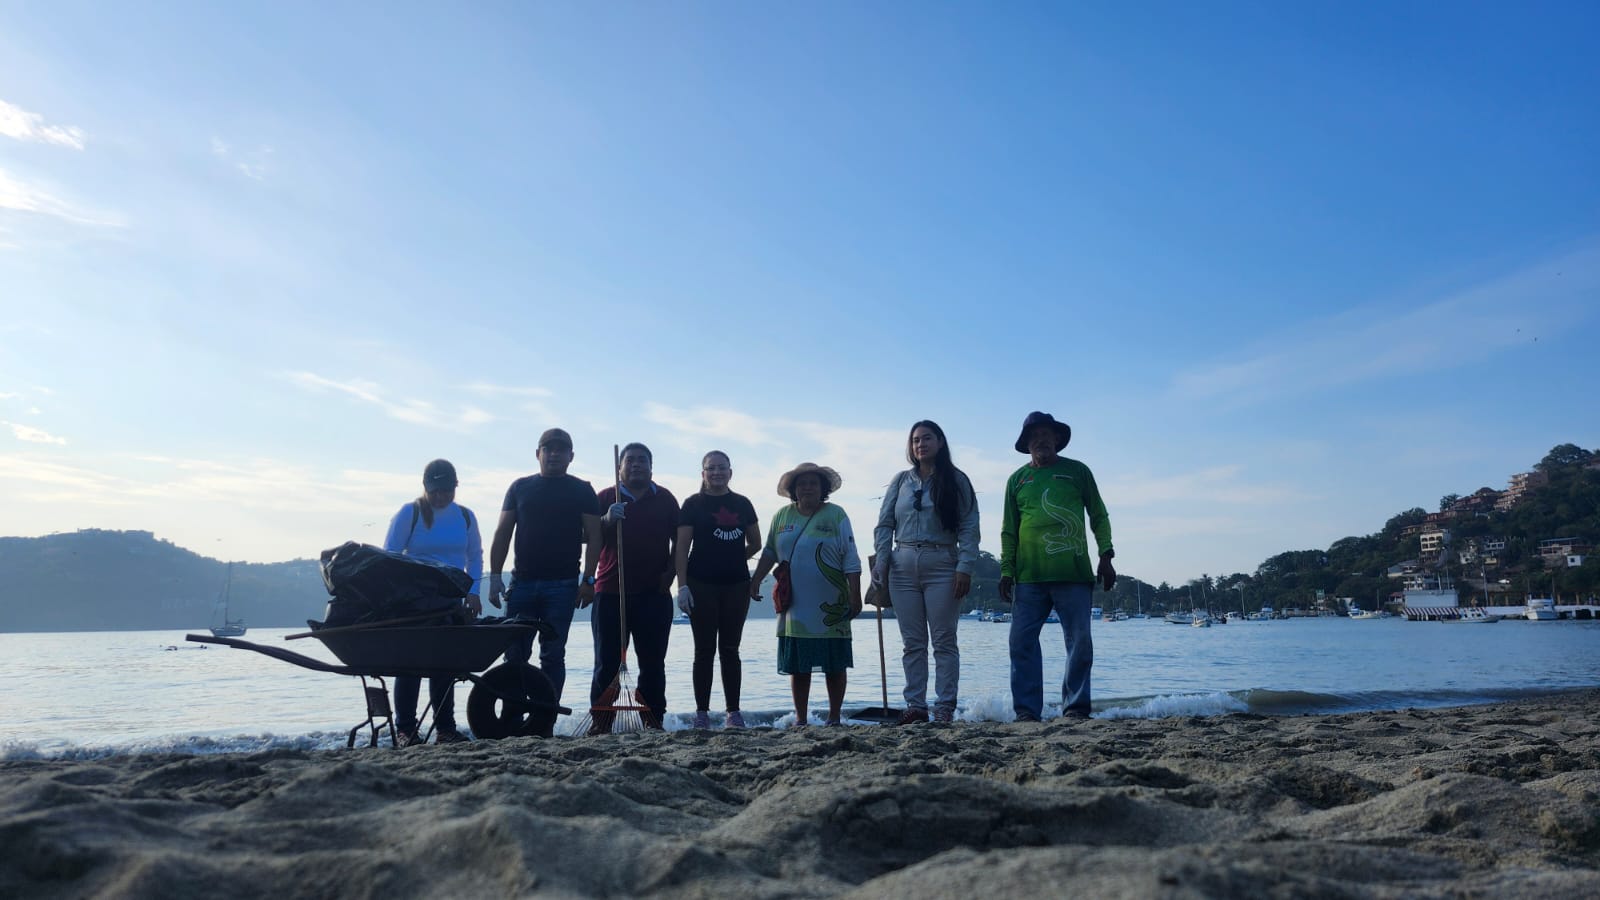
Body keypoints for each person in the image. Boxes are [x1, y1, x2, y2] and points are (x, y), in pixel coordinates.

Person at [1000, 411, 1115, 722]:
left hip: (1074, 574)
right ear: (1026, 443)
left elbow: (1099, 515)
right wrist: (1006, 571)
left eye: (1047, 434)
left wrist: (1106, 555)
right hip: (1028, 578)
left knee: (1079, 643)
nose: (1041, 440)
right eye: (1034, 436)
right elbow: (1009, 530)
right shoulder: (1017, 480)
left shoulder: (1078, 472)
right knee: (1020, 642)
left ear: (1057, 439)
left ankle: (1076, 709)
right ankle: (1026, 712)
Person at [872, 420, 980, 725]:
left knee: (944, 640)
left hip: (943, 563)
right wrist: (881, 561)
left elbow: (970, 526)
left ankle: (944, 705)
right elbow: (884, 524)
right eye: (916, 440)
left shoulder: (957, 480)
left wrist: (965, 566)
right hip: (902, 564)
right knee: (913, 642)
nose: (921, 445)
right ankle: (916, 705)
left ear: (941, 442)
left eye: (927, 438)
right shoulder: (900, 481)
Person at [487, 428, 602, 705]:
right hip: (522, 584)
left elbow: (595, 536)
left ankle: (545, 715)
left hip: (562, 586)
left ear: (570, 456)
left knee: (552, 654)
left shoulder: (582, 490)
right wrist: (494, 576)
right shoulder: (519, 488)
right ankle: (513, 716)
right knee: (514, 653)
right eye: (548, 449)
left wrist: (588, 580)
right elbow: (503, 533)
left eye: (560, 450)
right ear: (537, 454)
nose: (554, 454)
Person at [750, 462, 863, 727]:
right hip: (795, 606)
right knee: (799, 665)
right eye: (802, 483)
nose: (808, 487)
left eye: (813, 483)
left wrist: (855, 595)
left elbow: (851, 557)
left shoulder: (836, 515)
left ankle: (834, 717)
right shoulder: (782, 516)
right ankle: (801, 719)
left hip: (831, 604)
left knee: (834, 663)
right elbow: (769, 551)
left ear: (823, 488)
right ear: (794, 489)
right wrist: (756, 579)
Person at [382, 458, 483, 746]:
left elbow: (474, 557)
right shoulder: (409, 513)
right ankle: (406, 729)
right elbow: (390, 555)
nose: (440, 497)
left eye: (446, 491)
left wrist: (473, 591)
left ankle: (445, 729)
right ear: (425, 488)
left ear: (455, 487)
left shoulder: (465, 516)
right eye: (435, 491)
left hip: (450, 599)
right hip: (415, 600)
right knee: (411, 664)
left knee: (444, 664)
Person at [589, 442, 679, 732]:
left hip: (654, 594)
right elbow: (586, 537)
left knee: (653, 662)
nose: (637, 465)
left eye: (643, 460)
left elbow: (681, 540)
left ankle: (653, 720)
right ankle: (602, 722)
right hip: (611, 591)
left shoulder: (665, 499)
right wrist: (606, 519)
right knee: (607, 663)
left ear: (651, 467)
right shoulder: (605, 497)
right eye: (631, 461)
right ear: (620, 468)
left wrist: (671, 575)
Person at [674, 450, 762, 730]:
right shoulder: (692, 504)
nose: (716, 473)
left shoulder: (742, 503)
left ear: (730, 472)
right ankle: (702, 713)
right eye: (711, 468)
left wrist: (733, 557)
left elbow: (756, 543)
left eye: (721, 468)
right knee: (704, 650)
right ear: (703, 473)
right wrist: (683, 585)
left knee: (730, 649)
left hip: (736, 585)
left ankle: (733, 713)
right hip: (701, 585)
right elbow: (681, 549)